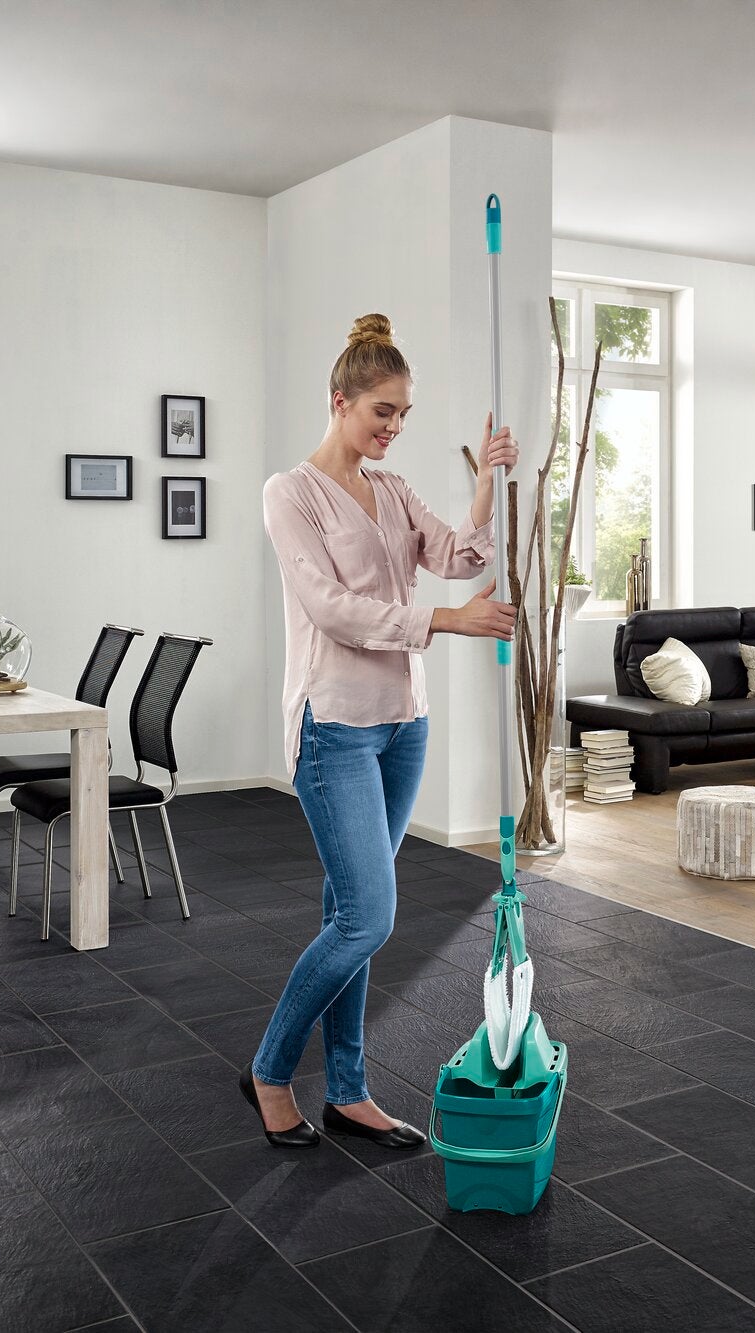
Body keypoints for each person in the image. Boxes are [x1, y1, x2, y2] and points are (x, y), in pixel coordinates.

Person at [246, 313, 517, 1149]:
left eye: (402, 415)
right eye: (381, 413)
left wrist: (485, 485)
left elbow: (461, 557)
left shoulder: (393, 488)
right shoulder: (289, 493)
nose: (393, 428)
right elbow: (332, 608)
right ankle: (269, 1069)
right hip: (334, 728)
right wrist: (449, 623)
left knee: (347, 909)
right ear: (340, 401)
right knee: (368, 916)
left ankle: (351, 1089)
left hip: (404, 727)